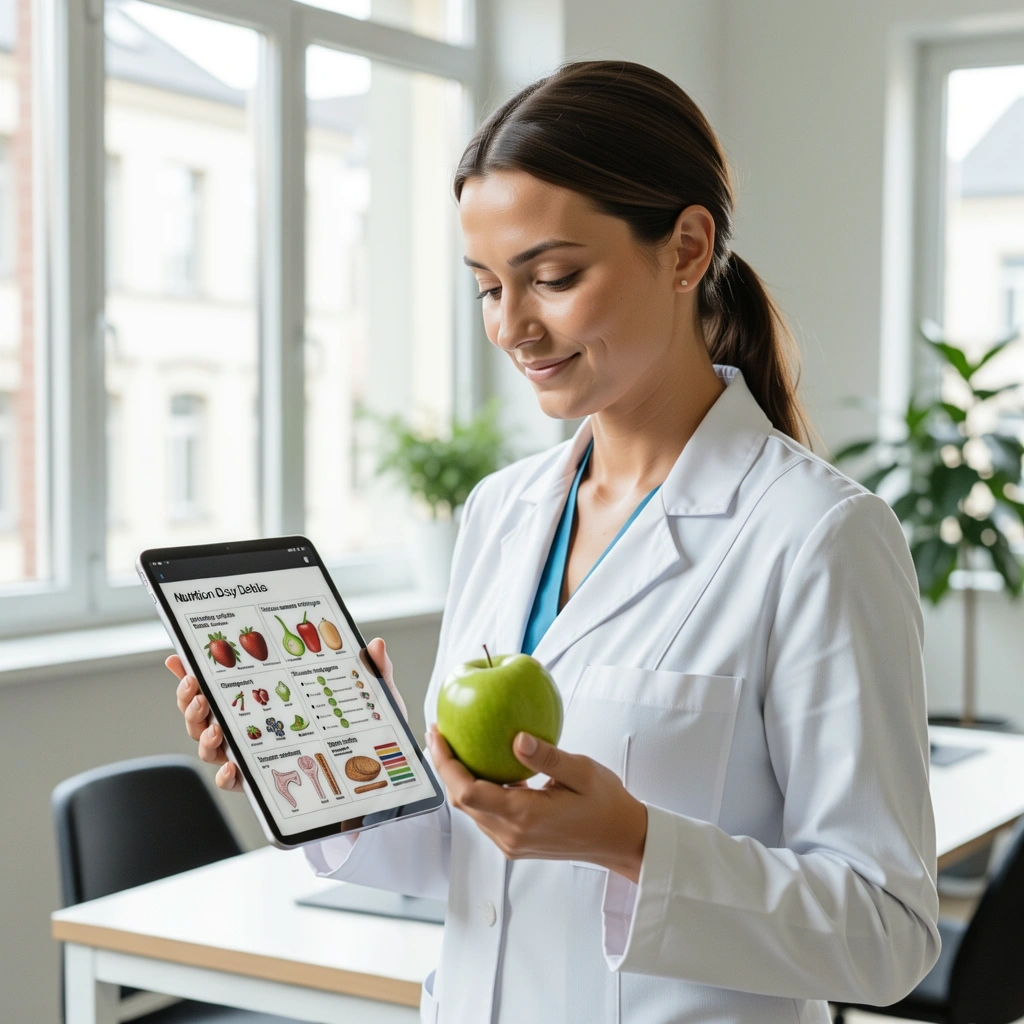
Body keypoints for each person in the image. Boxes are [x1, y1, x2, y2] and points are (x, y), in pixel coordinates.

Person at [166, 60, 940, 1024]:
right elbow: (475, 856)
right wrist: (339, 777)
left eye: (555, 277)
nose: (513, 326)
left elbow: (886, 934)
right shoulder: (502, 512)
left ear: (687, 246)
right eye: (489, 287)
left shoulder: (818, 536)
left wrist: (633, 842)